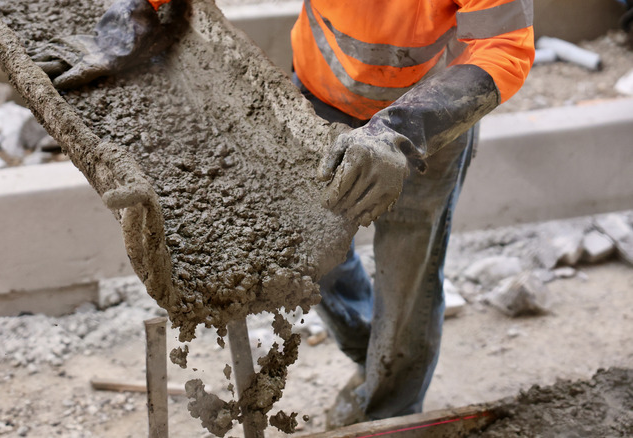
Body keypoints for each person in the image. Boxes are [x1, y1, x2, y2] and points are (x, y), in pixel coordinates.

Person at [34, 0, 534, 428]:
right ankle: (368, 352)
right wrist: (136, 21)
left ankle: (389, 415)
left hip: (428, 127)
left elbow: (505, 46)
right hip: (319, 106)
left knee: (409, 278)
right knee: (315, 256)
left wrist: (401, 130)